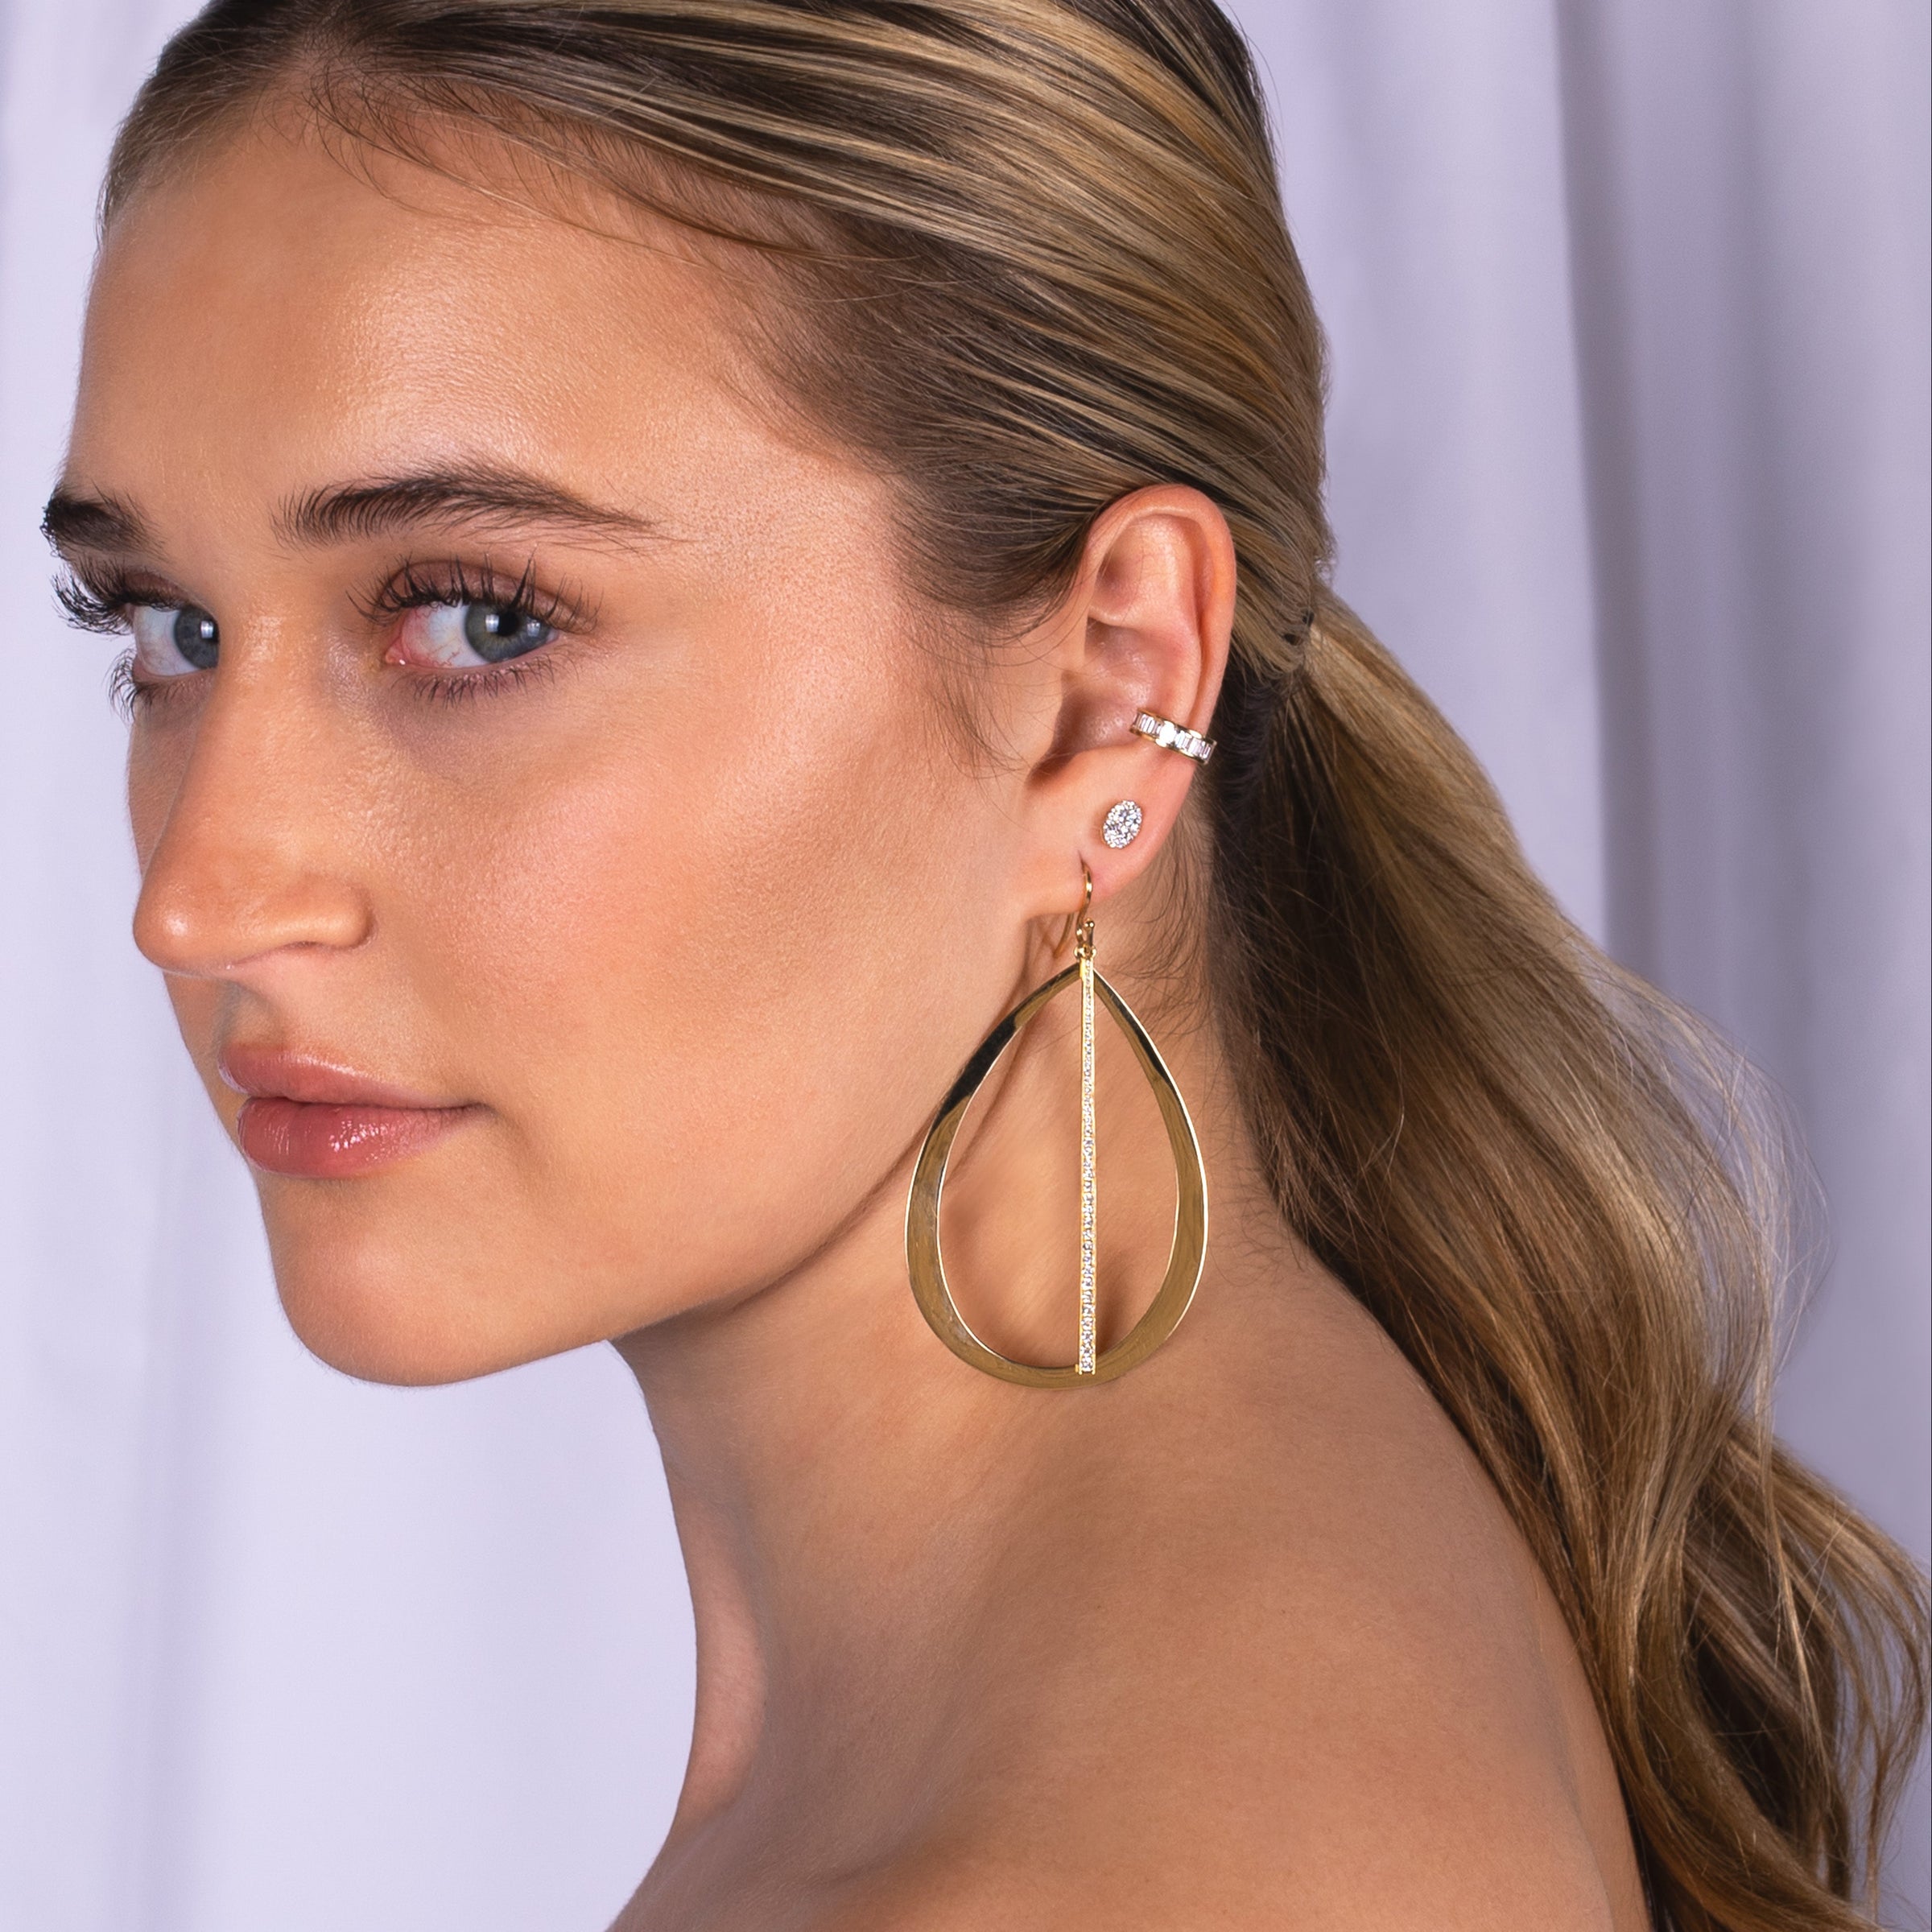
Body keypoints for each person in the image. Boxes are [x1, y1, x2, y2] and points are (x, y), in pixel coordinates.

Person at [45, 2, 1926, 1926]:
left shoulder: (1067, 1863)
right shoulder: (1279, 1576)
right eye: (169, 631)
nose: (195, 900)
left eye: (476, 617)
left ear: (1112, 686)